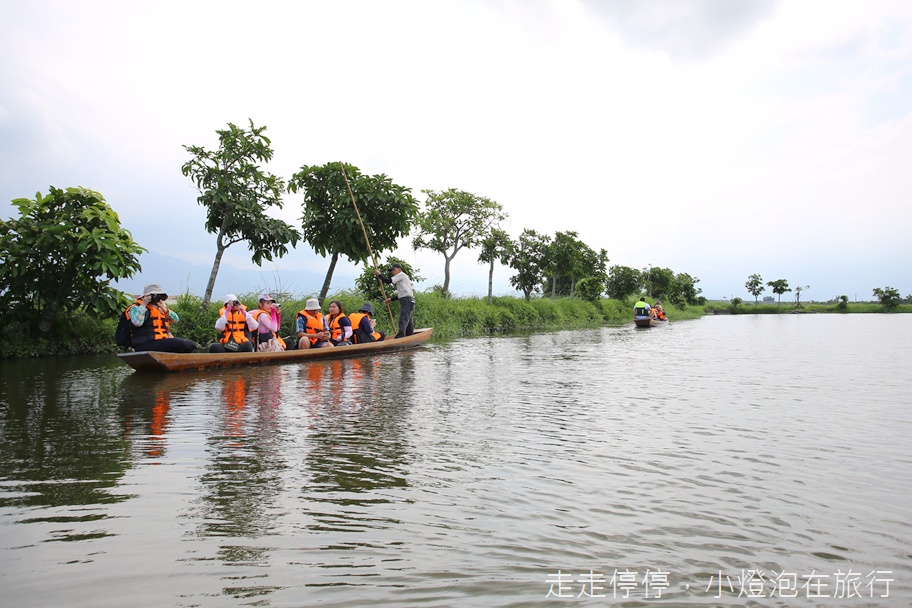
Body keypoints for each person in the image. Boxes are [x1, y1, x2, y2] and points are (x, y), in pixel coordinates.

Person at [126, 283, 196, 353]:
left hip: (161, 342)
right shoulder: (136, 308)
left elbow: (176, 320)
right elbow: (137, 323)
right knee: (182, 344)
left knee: (190, 344)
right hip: (144, 344)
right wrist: (143, 304)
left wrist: (165, 309)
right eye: (153, 295)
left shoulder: (160, 308)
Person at [375, 263, 414, 338]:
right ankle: (410, 335)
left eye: (394, 269)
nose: (392, 271)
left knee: (404, 317)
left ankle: (401, 334)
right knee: (408, 318)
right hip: (406, 299)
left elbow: (388, 281)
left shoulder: (401, 275)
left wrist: (379, 275)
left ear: (399, 269)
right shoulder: (402, 278)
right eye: (391, 270)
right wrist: (391, 299)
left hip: (407, 300)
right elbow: (403, 293)